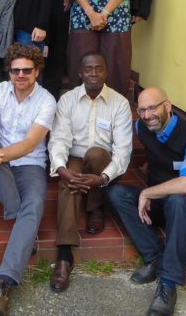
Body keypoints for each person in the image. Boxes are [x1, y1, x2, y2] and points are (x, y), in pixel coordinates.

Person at [107, 87, 186, 316]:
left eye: (152, 108)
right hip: (159, 205)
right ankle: (154, 258)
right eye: (141, 110)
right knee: (116, 193)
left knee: (178, 200)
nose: (146, 115)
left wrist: (147, 193)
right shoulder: (142, 127)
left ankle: (168, 284)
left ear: (168, 106)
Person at [0, 44, 56, 316]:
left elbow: (31, 143)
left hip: (28, 162)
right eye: (15, 70)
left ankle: (4, 282)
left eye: (27, 70)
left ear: (37, 71)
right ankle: (26, 231)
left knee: (34, 203)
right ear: (9, 72)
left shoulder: (46, 100)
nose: (21, 75)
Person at [47, 52, 133, 292]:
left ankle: (95, 207)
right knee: (69, 182)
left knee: (95, 154)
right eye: (88, 69)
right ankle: (65, 255)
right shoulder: (67, 100)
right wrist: (61, 169)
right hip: (74, 156)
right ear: (80, 73)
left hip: (102, 161)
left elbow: (123, 149)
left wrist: (104, 177)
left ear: (106, 72)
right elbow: (59, 139)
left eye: (99, 69)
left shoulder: (120, 103)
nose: (94, 74)